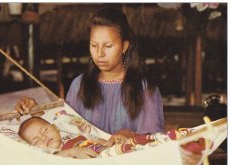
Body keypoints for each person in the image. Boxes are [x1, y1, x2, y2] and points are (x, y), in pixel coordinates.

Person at [16, 7, 164, 147]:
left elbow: (155, 139)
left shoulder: (144, 88)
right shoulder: (79, 85)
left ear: (124, 46)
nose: (99, 54)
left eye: (108, 46)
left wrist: (130, 134)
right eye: (94, 45)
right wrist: (35, 110)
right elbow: (66, 125)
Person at [18, 116, 107, 159]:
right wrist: (71, 152)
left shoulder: (74, 136)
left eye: (45, 130)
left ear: (56, 128)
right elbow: (54, 157)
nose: (43, 137)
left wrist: (100, 141)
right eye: (36, 141)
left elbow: (90, 137)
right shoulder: (50, 153)